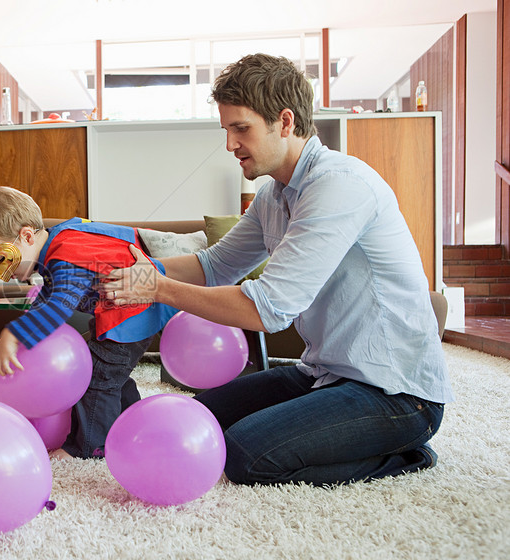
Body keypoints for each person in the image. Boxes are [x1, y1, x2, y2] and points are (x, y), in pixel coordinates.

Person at [100, 53, 452, 486]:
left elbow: (267, 310)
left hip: (395, 394)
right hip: (324, 376)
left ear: (284, 122)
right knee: (203, 420)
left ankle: (407, 453)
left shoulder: (339, 186)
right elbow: (214, 265)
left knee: (246, 455)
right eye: (227, 130)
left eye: (241, 128)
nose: (230, 145)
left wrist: (159, 289)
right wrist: (124, 272)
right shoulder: (273, 196)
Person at [0, 186, 178, 459]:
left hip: (133, 313)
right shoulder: (58, 243)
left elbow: (58, 307)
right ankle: (131, 420)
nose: (0, 272)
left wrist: (14, 334)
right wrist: (26, 329)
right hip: (130, 309)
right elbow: (48, 296)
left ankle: (89, 448)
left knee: (97, 376)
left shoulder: (66, 255)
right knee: (111, 374)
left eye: (0, 258)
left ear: (26, 236)